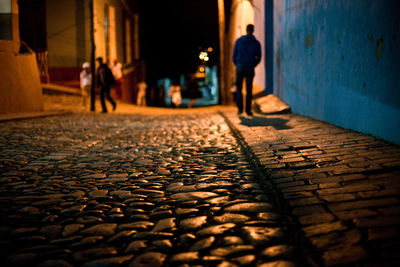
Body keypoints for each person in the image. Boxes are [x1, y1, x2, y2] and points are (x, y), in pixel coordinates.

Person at [233, 24, 261, 116]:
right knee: (249, 89)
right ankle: (248, 110)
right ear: (253, 30)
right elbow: (259, 57)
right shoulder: (256, 43)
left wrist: (238, 64)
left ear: (246, 30)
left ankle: (240, 109)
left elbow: (234, 56)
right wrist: (253, 64)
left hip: (240, 67)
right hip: (250, 67)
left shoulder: (239, 41)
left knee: (239, 88)